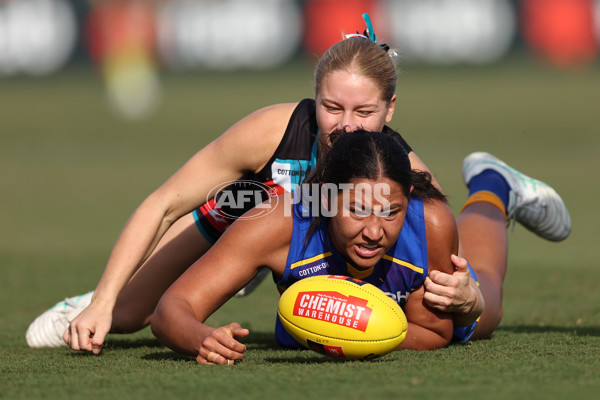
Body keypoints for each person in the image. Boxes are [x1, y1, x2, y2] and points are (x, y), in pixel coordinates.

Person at [25, 15, 570, 352]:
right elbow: (164, 203)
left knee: (486, 308)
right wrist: (103, 300)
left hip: (320, 245)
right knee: (124, 317)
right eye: (332, 107)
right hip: (260, 218)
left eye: (364, 110)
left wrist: (468, 299)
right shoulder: (274, 131)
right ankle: (96, 298)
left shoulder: (400, 173)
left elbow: (438, 247)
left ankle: (496, 184)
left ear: (390, 110)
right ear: (315, 97)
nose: (347, 125)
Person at [150, 129, 571, 363]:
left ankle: (493, 184)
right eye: (356, 209)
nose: (374, 231)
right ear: (327, 196)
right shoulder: (279, 220)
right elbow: (173, 308)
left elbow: (435, 331)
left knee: (488, 301)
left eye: (391, 211)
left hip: (430, 307)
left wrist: (348, 335)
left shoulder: (431, 222)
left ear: (408, 197)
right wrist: (199, 338)